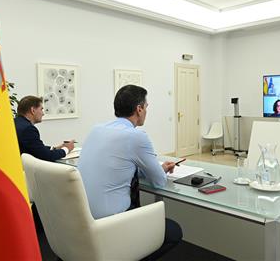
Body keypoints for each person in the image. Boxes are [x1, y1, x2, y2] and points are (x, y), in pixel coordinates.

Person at [78, 85, 182, 260]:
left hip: (84, 219)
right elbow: (159, 182)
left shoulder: (96, 129)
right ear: (139, 109)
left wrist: (158, 168)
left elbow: (120, 168)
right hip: (112, 224)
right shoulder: (137, 137)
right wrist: (159, 171)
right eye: (146, 107)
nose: (147, 111)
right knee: (173, 231)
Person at [14, 95, 74, 161]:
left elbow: (36, 148)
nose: (43, 114)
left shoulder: (15, 123)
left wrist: (56, 148)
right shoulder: (28, 129)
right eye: (41, 109)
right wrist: (67, 149)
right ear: (33, 110)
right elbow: (47, 156)